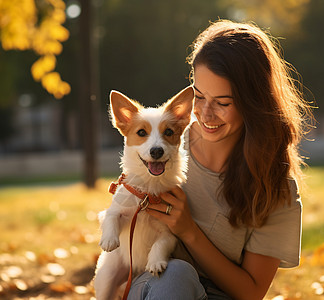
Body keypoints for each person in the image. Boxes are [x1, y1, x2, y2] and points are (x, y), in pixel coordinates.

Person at [128, 19, 313, 300]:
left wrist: (189, 232)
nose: (205, 113)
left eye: (223, 103)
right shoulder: (166, 146)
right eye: (199, 96)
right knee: (176, 275)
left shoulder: (275, 187)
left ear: (254, 102)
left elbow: (251, 293)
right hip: (158, 286)